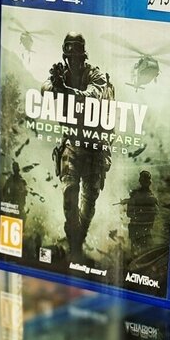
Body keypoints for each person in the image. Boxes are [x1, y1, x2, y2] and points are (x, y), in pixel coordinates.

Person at [42, 33, 114, 260]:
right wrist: (55, 85)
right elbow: (44, 90)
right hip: (72, 144)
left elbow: (93, 96)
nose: (73, 61)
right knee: (69, 192)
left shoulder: (95, 75)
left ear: (84, 56)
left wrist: (64, 90)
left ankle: (80, 234)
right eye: (70, 57)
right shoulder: (61, 76)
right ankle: (72, 235)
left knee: (89, 200)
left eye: (77, 57)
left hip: (95, 146)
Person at [124, 169, 159, 252]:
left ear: (140, 181)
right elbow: (156, 213)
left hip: (137, 230)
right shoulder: (152, 198)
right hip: (145, 231)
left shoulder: (135, 196)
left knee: (136, 252)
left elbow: (129, 214)